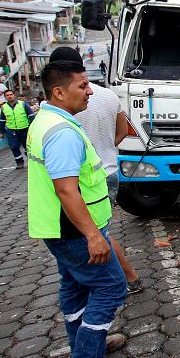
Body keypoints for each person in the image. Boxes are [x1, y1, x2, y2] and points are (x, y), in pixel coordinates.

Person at [27, 60, 129, 358]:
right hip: (75, 231)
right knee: (112, 287)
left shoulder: (49, 121)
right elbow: (67, 190)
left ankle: (87, 342)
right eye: (82, 86)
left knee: (73, 289)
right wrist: (93, 235)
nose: (89, 92)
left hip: (59, 229)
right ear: (58, 92)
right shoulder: (61, 133)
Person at [50, 47, 143, 294]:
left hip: (80, 181)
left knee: (95, 234)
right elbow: (124, 132)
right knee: (98, 231)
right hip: (109, 170)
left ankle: (129, 278)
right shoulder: (109, 96)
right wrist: (103, 149)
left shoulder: (60, 105)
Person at [0, 89, 35, 169]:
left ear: (14, 95)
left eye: (11, 94)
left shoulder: (23, 104)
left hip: (25, 129)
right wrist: (1, 132)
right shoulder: (4, 107)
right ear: (5, 97)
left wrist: (33, 128)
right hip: (12, 131)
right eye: (7, 95)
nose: (9, 96)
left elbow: (31, 116)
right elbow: (2, 120)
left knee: (27, 147)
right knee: (14, 147)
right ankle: (19, 162)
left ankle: (31, 161)